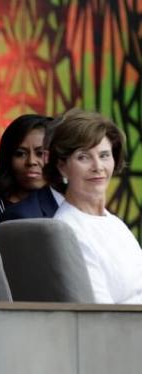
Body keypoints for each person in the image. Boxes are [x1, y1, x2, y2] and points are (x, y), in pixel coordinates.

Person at [44, 109, 142, 303]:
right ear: (62, 166)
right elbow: (99, 312)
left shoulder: (115, 224)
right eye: (84, 157)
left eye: (104, 155)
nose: (98, 166)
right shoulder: (68, 231)